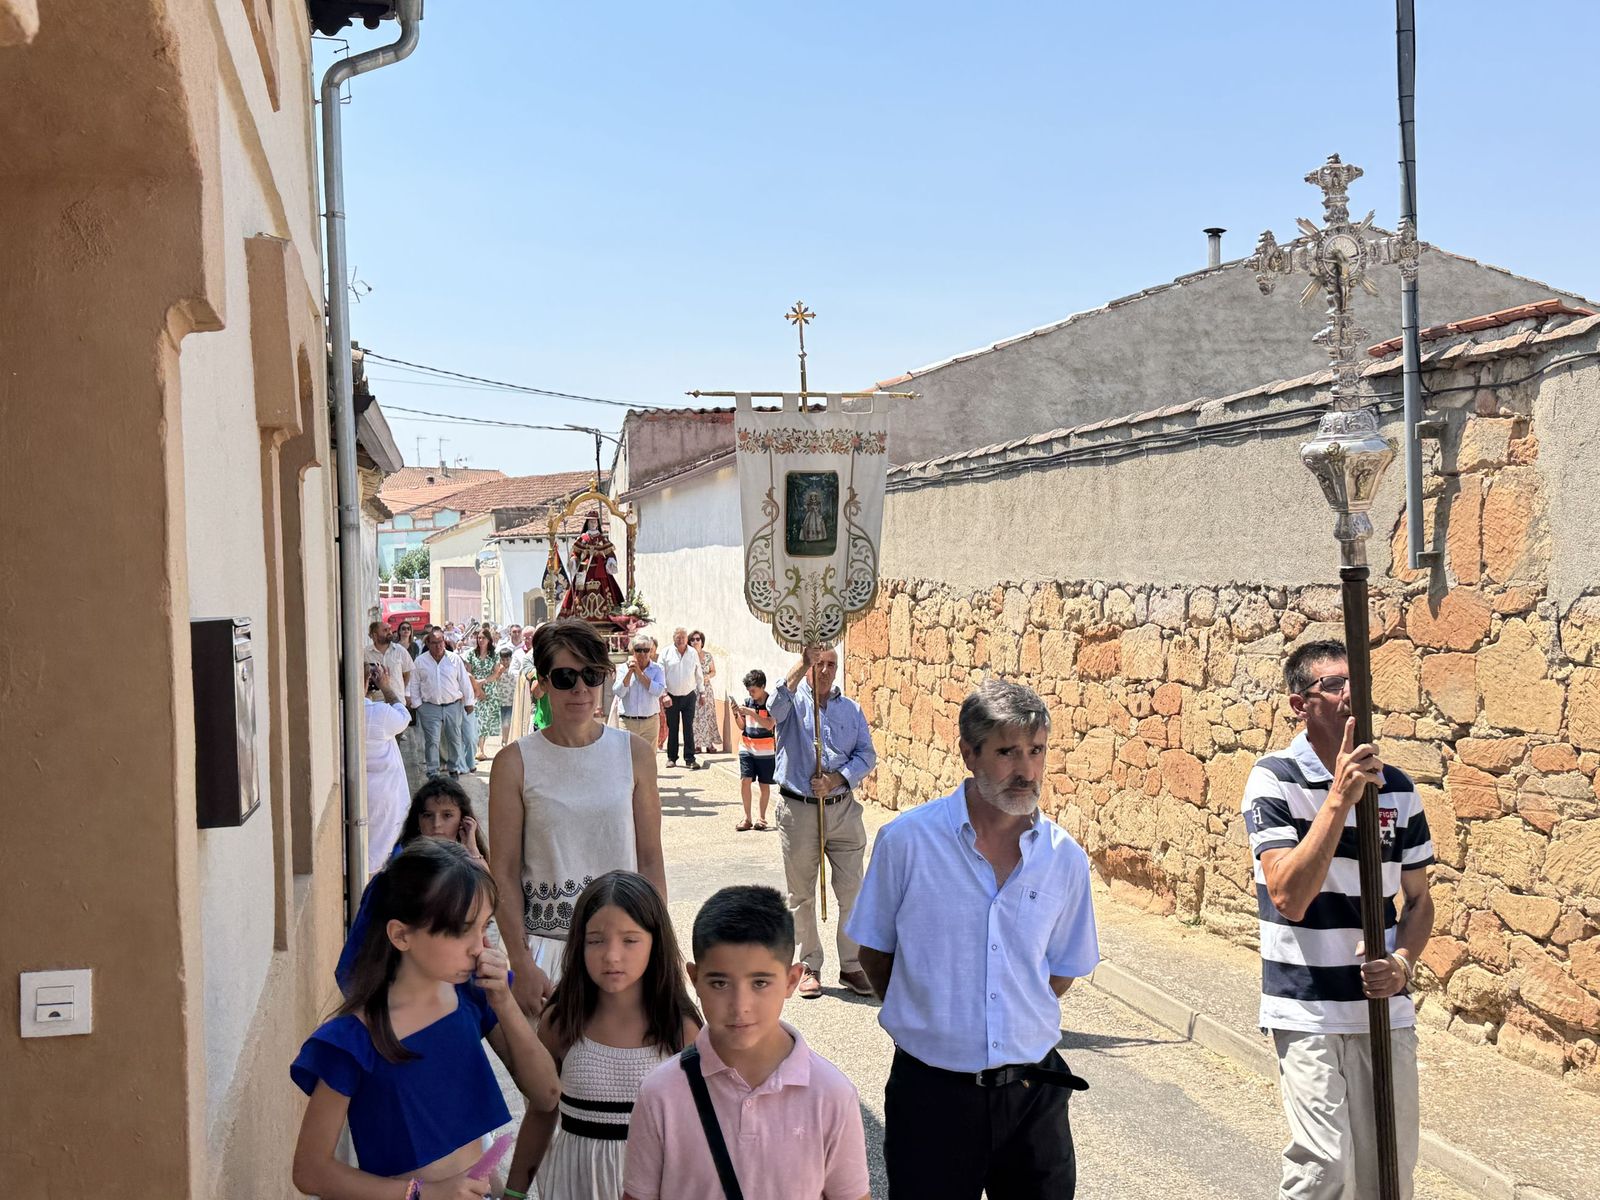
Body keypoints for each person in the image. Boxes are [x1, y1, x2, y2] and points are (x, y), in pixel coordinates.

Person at [848, 678, 1099, 1200]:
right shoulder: (908, 842)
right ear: (969, 753)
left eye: (1036, 751)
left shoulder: (1064, 858)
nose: (1026, 769)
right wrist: (935, 1015)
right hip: (931, 1096)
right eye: (1007, 751)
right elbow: (874, 951)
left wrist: (1007, 1012)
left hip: (1034, 1097)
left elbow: (1059, 971)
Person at [1243, 639, 1435, 1200]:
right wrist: (1339, 799)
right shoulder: (1274, 779)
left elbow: (1419, 901)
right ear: (1300, 704)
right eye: (1333, 684)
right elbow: (1288, 895)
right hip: (1307, 1005)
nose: (1352, 695)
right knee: (1324, 1169)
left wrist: (1401, 963)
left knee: (1389, 1175)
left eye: (1357, 683)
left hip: (1382, 1008)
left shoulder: (1397, 789)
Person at [489, 618, 668, 1193]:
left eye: (593, 675)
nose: (581, 690)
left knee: (628, 1092)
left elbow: (650, 859)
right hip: (549, 951)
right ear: (540, 683)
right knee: (549, 1095)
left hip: (623, 948)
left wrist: (659, 945)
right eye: (565, 677)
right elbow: (505, 874)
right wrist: (520, 962)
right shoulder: (515, 763)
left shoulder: (634, 755)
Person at [290, 839, 560, 1200]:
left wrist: (504, 1002)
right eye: (461, 930)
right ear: (401, 935)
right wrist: (422, 1193)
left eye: (484, 927)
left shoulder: (472, 995)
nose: (479, 946)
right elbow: (310, 1171)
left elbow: (546, 1094)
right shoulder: (352, 1040)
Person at [622, 884, 871, 1200]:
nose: (740, 1005)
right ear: (695, 979)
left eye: (760, 982)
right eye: (720, 982)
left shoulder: (832, 1095)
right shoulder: (661, 1093)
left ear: (792, 980)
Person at [529, 871, 702, 1200]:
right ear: (579, 944)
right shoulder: (562, 1021)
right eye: (595, 940)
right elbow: (541, 1111)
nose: (611, 955)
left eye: (630, 940)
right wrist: (515, 1191)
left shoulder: (680, 1029)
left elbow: (698, 1129)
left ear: (656, 941)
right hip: (574, 1184)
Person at [767, 645, 877, 999]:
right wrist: (801, 664)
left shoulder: (851, 709)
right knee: (801, 893)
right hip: (799, 809)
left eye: (831, 664)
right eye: (820, 663)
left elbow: (866, 754)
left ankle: (852, 964)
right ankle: (809, 964)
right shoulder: (793, 703)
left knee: (852, 891)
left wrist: (839, 778)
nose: (826, 670)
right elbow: (773, 709)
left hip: (842, 808)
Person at [336, 777, 490, 994]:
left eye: (447, 816)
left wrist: (472, 848)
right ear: (418, 821)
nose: (437, 825)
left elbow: (490, 899)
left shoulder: (468, 866)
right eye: (428, 815)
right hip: (402, 985)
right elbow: (365, 940)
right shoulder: (399, 874)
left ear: (463, 821)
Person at [363, 662, 413, 878]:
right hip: (384, 798)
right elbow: (404, 716)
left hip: (360, 793)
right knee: (381, 859)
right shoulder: (379, 713)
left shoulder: (336, 713)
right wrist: (385, 686)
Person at [407, 629, 476, 779]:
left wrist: (469, 702)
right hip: (429, 706)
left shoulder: (454, 659)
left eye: (440, 642)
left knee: (454, 738)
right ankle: (433, 772)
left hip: (453, 705)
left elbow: (464, 681)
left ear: (444, 642)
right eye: (434, 643)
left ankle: (454, 769)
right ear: (428, 644)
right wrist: (418, 705)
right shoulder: (420, 661)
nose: (438, 646)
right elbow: (414, 684)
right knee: (432, 741)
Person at [729, 670, 776, 832]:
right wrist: (736, 713)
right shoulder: (748, 701)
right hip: (747, 747)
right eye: (749, 690)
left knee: (764, 785)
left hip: (766, 751)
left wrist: (751, 713)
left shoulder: (771, 703)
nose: (751, 693)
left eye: (754, 690)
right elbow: (742, 726)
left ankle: (761, 818)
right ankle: (747, 818)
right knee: (745, 780)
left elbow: (770, 724)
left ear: (763, 686)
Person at [659, 628, 703, 770]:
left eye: (683, 637)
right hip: (671, 696)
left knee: (688, 727)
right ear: (674, 638)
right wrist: (664, 694)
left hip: (689, 695)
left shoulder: (693, 653)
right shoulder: (666, 653)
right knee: (673, 728)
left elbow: (698, 673)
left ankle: (690, 759)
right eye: (678, 637)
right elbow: (661, 674)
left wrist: (702, 692)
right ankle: (672, 758)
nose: (681, 640)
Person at [614, 636, 666, 744]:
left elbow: (658, 691)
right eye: (638, 650)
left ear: (651, 651)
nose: (642, 653)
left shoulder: (658, 669)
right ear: (633, 651)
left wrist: (639, 673)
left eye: (646, 650)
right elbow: (619, 692)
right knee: (627, 758)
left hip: (650, 723)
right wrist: (629, 672)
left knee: (648, 759)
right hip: (627, 722)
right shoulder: (623, 668)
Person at [465, 628, 506, 762]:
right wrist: (477, 687)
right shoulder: (471, 654)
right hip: (476, 691)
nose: (481, 640)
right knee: (478, 719)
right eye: (479, 638)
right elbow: (469, 673)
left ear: (489, 640)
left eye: (483, 638)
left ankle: (481, 748)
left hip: (490, 691)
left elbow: (496, 674)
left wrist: (483, 681)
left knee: (485, 721)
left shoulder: (494, 655)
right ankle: (478, 749)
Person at [687, 631, 722, 756]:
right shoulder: (688, 656)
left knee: (708, 715)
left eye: (698, 639)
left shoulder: (708, 656)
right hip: (693, 689)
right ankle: (696, 744)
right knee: (695, 716)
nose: (695, 641)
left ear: (702, 641)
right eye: (692, 639)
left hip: (706, 689)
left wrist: (707, 676)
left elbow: (713, 671)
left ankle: (709, 744)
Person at [365, 619, 414, 702]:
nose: (389, 632)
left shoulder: (400, 651)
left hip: (397, 702)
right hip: (375, 704)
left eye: (389, 629)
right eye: (385, 630)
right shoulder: (365, 653)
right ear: (375, 635)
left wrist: (403, 692)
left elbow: (407, 674)